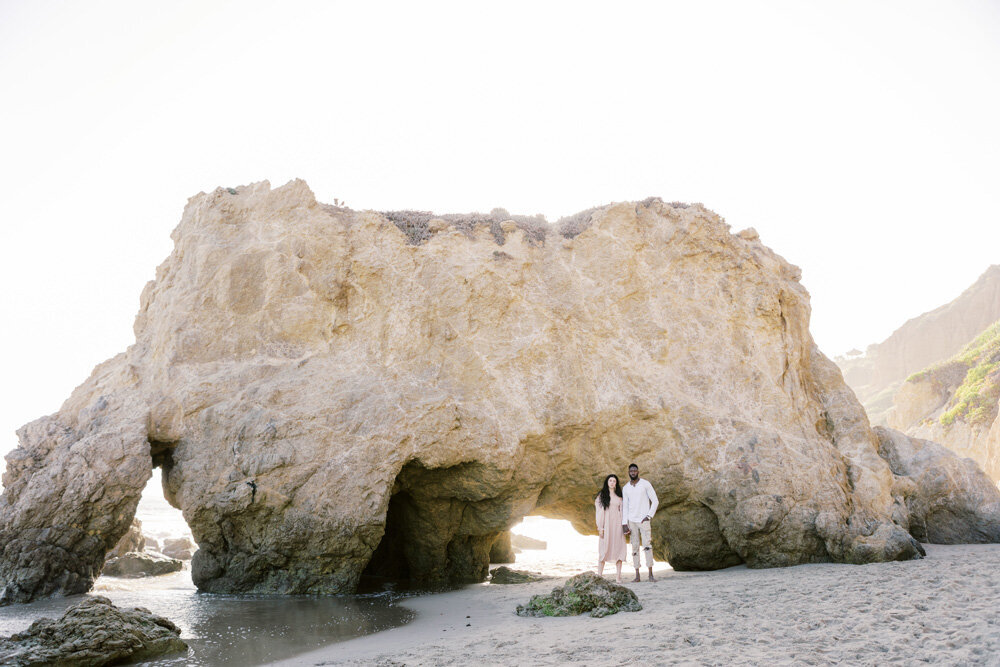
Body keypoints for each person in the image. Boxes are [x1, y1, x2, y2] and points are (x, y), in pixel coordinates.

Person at [621, 463, 659, 582]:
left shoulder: (645, 484)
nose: (633, 472)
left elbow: (655, 501)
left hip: (644, 520)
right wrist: (624, 523)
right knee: (634, 546)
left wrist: (649, 516)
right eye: (631, 471)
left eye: (635, 471)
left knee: (647, 545)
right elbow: (625, 507)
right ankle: (637, 575)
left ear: (638, 471)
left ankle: (650, 574)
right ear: (628, 472)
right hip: (632, 521)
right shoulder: (626, 488)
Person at [594, 474, 629, 582]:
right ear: (607, 482)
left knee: (619, 549)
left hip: (617, 526)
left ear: (616, 483)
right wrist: (601, 528)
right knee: (603, 549)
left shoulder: (619, 496)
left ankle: (618, 577)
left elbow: (623, 512)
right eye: (610, 480)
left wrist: (625, 526)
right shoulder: (602, 495)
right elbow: (599, 512)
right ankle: (599, 576)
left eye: (614, 481)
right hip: (606, 526)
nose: (612, 482)